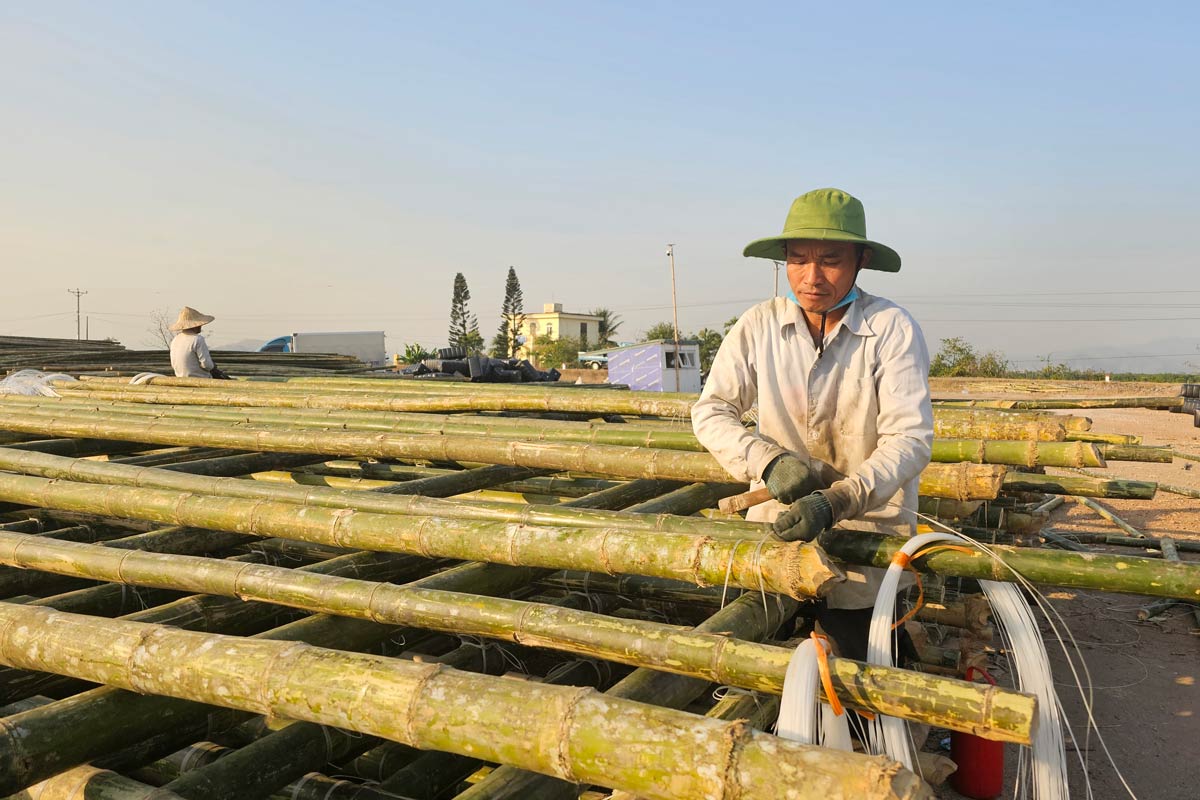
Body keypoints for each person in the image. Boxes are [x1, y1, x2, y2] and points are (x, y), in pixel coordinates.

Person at [691, 188, 933, 661]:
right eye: (798, 260)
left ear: (860, 261)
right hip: (777, 525)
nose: (812, 276)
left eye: (829, 260)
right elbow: (711, 409)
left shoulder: (891, 328)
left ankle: (880, 732)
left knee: (863, 661)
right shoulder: (759, 324)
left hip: (864, 528)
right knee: (771, 659)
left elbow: (910, 438)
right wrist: (768, 461)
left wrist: (840, 497)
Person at [168, 306, 229, 379]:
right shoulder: (197, 339)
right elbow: (206, 365)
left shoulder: (175, 339)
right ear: (195, 325)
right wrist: (213, 366)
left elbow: (173, 364)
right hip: (200, 378)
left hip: (180, 377)